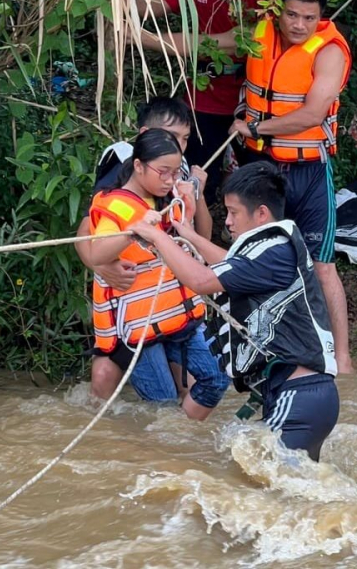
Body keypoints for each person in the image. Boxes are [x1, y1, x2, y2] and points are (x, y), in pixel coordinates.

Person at [130, 162, 339, 461]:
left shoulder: (276, 250)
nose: (227, 222)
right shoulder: (272, 250)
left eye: (234, 212)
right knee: (286, 492)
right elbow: (230, 263)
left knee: (261, 490)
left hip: (299, 396)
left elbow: (202, 280)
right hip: (306, 397)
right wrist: (184, 233)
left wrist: (156, 237)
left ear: (262, 213)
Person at [229, 0, 354, 375]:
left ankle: (344, 361)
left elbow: (314, 114)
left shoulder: (329, 52)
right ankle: (256, 354)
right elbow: (207, 43)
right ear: (278, 11)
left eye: (309, 17)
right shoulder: (259, 33)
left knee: (322, 266)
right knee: (252, 254)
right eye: (292, 15)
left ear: (322, 18)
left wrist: (256, 128)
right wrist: (142, 36)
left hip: (309, 172)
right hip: (262, 170)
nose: (299, 25)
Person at [74, 97, 213, 402]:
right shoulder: (123, 162)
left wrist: (197, 192)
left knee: (190, 386)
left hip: (171, 298)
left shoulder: (180, 169)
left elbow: (202, 235)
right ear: (144, 134)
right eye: (170, 136)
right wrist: (100, 266)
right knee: (108, 377)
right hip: (132, 297)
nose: (177, 145)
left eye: (184, 138)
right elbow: (88, 229)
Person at [135, 0, 266, 204]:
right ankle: (191, 240)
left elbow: (233, 40)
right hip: (202, 98)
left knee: (258, 180)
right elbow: (156, 3)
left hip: (251, 100)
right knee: (198, 178)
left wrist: (140, 38)